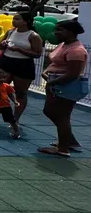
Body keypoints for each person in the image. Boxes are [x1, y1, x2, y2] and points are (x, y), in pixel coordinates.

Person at [0, 13, 42, 125]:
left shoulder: (33, 36)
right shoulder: (11, 31)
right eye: (13, 19)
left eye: (17, 19)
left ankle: (15, 119)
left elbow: (37, 54)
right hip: (6, 62)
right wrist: (2, 44)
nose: (14, 21)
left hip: (23, 65)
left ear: (25, 22)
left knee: (20, 93)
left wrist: (19, 49)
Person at [38, 20, 88, 157]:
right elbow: (56, 62)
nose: (56, 33)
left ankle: (63, 148)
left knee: (61, 116)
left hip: (66, 85)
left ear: (71, 32)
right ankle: (68, 141)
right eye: (56, 29)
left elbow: (73, 74)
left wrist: (52, 83)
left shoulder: (76, 51)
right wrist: (47, 72)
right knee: (52, 112)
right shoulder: (63, 45)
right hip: (57, 82)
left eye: (60, 30)